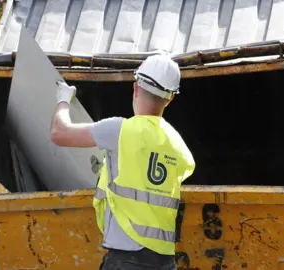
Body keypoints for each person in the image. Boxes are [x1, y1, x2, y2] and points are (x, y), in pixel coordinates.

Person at [50, 53, 195, 270]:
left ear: (136, 88)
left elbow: (60, 133)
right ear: (170, 98)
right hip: (165, 261)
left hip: (127, 260)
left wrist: (63, 100)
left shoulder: (120, 130)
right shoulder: (177, 145)